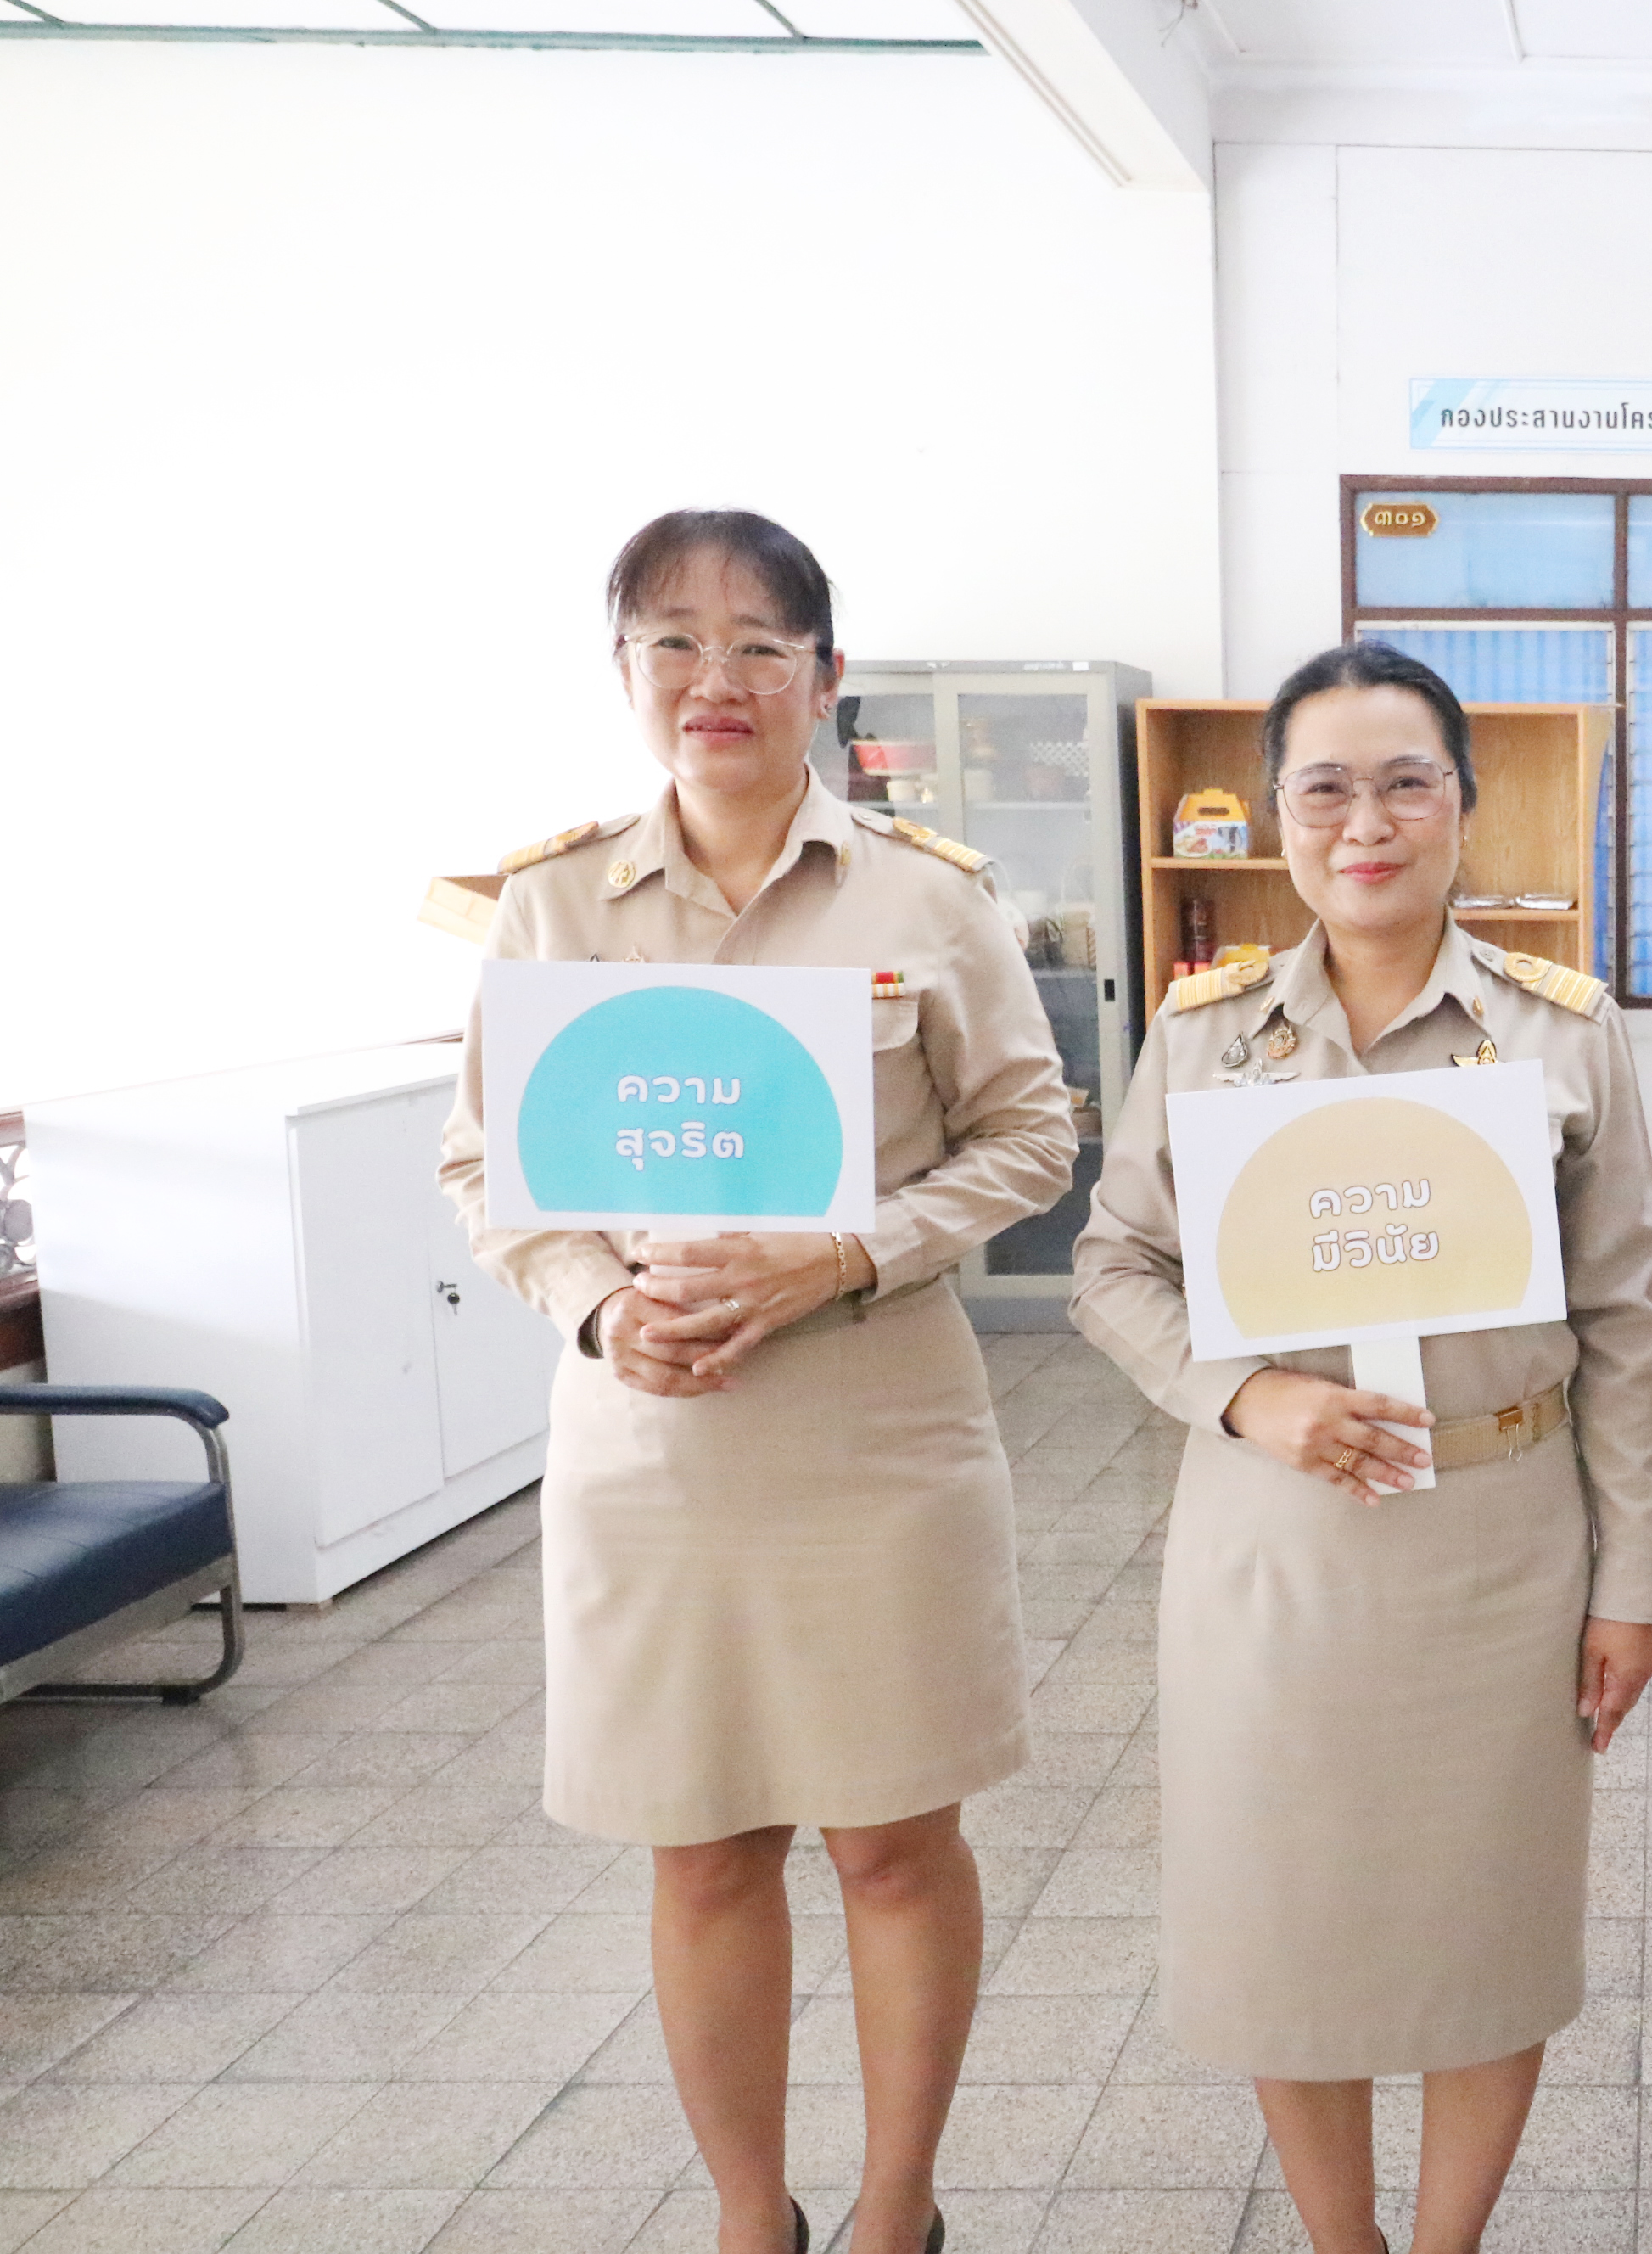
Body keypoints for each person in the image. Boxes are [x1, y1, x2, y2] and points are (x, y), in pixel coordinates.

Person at [440, 511, 1077, 2254]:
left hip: (877, 1427)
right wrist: (592, 1307)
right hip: (657, 1441)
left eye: (757, 645)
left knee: (889, 1839)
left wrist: (848, 1246)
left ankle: (895, 2206)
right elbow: (486, 1168)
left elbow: (1033, 1135)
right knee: (704, 1844)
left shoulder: (925, 896)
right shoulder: (553, 905)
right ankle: (747, 2214)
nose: (715, 678)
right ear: (627, 671)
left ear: (825, 679)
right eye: (673, 640)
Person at [1068, 642, 1652, 2254]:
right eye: (1324, 787)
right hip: (1277, 1544)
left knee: (1487, 1916)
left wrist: (1634, 1589)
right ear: (1275, 816)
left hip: (1502, 1540)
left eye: (1408, 781)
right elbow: (1114, 1264)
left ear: (1465, 806)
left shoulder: (1563, 1029)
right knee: (1290, 1917)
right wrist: (1250, 1397)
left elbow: (1627, 1323)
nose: (1368, 822)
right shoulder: (1208, 1035)